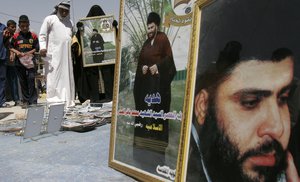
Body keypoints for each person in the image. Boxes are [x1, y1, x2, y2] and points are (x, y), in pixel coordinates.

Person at [186, 1, 300, 181]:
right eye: (250, 102)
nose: (278, 128)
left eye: (283, 99)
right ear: (203, 106)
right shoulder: (188, 168)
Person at [133, 12, 176, 153]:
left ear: (157, 26)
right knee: (146, 116)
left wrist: (157, 66)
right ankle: (144, 146)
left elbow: (169, 60)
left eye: (151, 28)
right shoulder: (145, 44)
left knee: (157, 116)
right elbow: (141, 63)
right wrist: (143, 68)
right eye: (148, 28)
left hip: (159, 87)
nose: (149, 31)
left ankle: (158, 148)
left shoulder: (163, 38)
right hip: (146, 88)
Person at [72, 5, 117, 103]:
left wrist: (115, 28)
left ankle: (109, 96)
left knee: (107, 74)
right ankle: (94, 97)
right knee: (92, 76)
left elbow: (115, 39)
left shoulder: (103, 32)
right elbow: (79, 44)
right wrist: (80, 30)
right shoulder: (86, 31)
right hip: (92, 61)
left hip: (103, 58)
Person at [39, 0, 75, 107]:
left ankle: (67, 101)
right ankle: (54, 102)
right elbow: (42, 35)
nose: (64, 13)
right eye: (62, 10)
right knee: (54, 77)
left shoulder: (70, 23)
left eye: (66, 11)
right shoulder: (50, 19)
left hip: (67, 56)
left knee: (67, 77)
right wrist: (42, 47)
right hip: (54, 54)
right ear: (58, 9)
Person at [9, 15, 39, 107]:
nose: (25, 28)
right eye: (22, 26)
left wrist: (29, 53)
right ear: (19, 26)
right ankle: (25, 101)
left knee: (31, 79)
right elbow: (10, 47)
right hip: (19, 62)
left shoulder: (33, 36)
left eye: (26, 26)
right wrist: (16, 52)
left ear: (29, 25)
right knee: (22, 81)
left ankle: (33, 101)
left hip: (30, 62)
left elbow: (37, 48)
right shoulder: (15, 36)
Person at [5, 20, 21, 106]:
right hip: (4, 61)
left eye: (15, 27)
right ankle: (4, 100)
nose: (14, 29)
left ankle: (16, 99)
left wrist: (12, 53)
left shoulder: (15, 37)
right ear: (8, 27)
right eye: (12, 27)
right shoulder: (5, 35)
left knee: (14, 81)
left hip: (11, 63)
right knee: (4, 82)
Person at [0, 21, 11, 107]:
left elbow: (7, 43)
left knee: (2, 80)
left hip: (2, 57)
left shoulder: (3, 27)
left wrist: (7, 36)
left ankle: (1, 101)